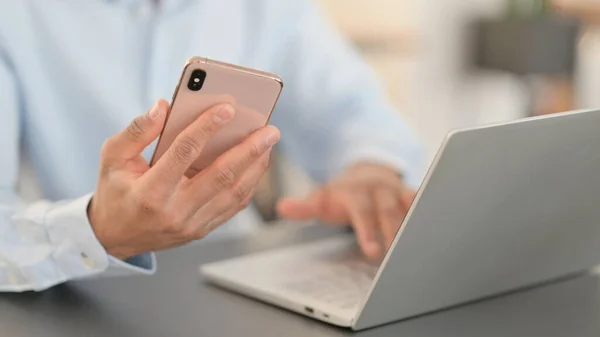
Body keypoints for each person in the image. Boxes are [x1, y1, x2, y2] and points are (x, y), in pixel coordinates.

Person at [0, 0, 424, 292]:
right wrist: (96, 231)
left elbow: (353, 113)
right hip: (74, 292)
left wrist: (372, 168)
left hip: (240, 274)